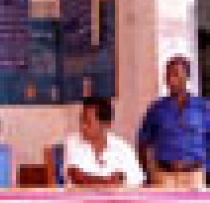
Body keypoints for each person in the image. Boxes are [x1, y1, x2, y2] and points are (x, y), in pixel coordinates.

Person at [138, 56, 209, 188]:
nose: (171, 80)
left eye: (176, 74)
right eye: (168, 75)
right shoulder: (156, 109)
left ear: (187, 77)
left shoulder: (203, 107)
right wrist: (147, 173)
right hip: (164, 176)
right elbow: (142, 142)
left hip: (195, 176)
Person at [65, 96, 145, 187]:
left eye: (88, 122)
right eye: (81, 120)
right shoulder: (73, 142)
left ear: (105, 124)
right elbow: (77, 177)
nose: (83, 126)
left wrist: (113, 183)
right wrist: (107, 182)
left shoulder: (123, 147)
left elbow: (138, 182)